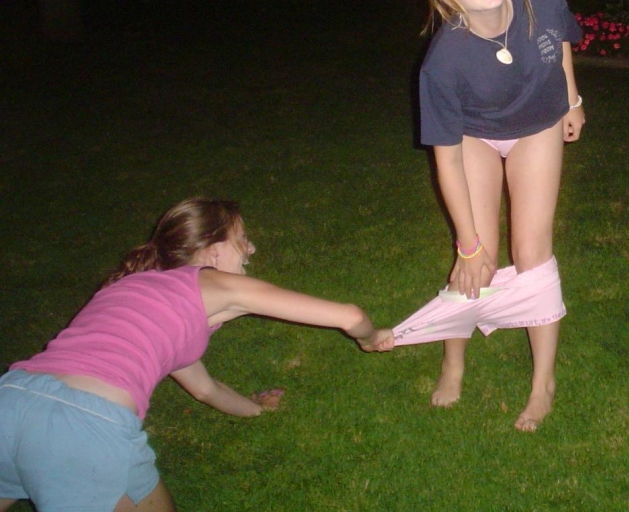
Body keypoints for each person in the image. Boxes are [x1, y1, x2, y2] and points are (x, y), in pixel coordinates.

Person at [0, 198, 392, 512]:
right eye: (242, 239)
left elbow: (205, 389)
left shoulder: (140, 295)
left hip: (13, 397)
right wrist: (371, 337)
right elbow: (350, 316)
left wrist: (258, 410)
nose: (251, 248)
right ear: (212, 252)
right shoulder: (214, 284)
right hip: (85, 423)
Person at [392, 0, 584, 432]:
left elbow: (560, 42)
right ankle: (454, 361)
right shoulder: (442, 63)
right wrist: (468, 243)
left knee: (532, 250)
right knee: (479, 258)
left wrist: (572, 99)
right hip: (474, 137)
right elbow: (447, 160)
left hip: (537, 125)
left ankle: (543, 383)